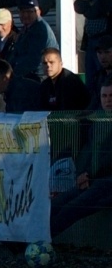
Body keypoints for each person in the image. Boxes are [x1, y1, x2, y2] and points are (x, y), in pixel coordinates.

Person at [50, 81, 112, 240]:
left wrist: (89, 174)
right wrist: (83, 173)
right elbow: (88, 152)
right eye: (104, 96)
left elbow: (108, 159)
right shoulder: (97, 121)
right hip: (92, 178)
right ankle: (25, 238)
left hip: (105, 181)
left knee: (72, 208)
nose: (108, 100)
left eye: (111, 96)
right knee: (58, 203)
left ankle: (39, 240)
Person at [8, 0, 58, 81]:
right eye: (22, 12)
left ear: (37, 12)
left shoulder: (40, 30)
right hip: (26, 74)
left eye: (29, 12)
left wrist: (12, 74)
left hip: (38, 77)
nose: (25, 15)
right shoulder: (27, 28)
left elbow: (34, 60)